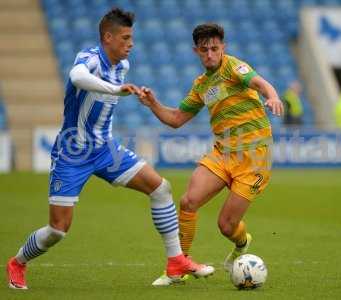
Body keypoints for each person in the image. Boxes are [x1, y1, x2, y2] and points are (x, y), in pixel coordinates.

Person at [6, 8, 213, 290]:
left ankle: (176, 261)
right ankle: (17, 262)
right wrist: (114, 90)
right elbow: (77, 77)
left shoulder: (122, 67)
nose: (131, 44)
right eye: (126, 38)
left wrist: (139, 96)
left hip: (106, 150)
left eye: (132, 38)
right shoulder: (89, 59)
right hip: (73, 152)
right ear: (108, 37)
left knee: (160, 188)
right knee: (57, 230)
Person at [137, 23, 284, 286]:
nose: (210, 54)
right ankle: (178, 267)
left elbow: (260, 83)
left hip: (254, 158)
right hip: (223, 153)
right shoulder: (201, 85)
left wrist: (272, 96)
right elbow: (177, 119)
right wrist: (153, 104)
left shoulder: (234, 67)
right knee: (188, 202)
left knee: (226, 226)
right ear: (196, 51)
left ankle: (242, 242)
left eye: (214, 48)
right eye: (204, 50)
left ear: (223, 48)